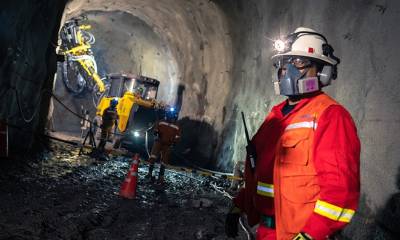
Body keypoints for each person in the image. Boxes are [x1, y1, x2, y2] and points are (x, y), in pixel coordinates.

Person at [225, 27, 360, 240]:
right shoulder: (275, 116)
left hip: (299, 234)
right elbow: (262, 173)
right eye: (283, 63)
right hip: (267, 231)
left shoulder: (330, 116)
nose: (288, 70)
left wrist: (310, 234)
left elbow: (339, 192)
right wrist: (239, 204)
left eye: (299, 62)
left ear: (322, 71)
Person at [146, 108, 181, 184]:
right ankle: (149, 173)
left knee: (164, 161)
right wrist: (156, 133)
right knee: (153, 157)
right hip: (158, 142)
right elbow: (156, 128)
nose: (170, 117)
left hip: (168, 145)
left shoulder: (176, 126)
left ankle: (161, 177)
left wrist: (174, 142)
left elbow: (177, 136)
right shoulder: (161, 122)